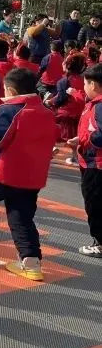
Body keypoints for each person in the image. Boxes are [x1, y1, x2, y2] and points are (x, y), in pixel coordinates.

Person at [0, 68, 58, 281]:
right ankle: (31, 264)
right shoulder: (46, 112)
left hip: (7, 171)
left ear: (11, 90)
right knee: (21, 218)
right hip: (33, 176)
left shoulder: (11, 110)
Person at [70, 63, 102, 257]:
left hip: (96, 164)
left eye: (85, 84)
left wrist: (85, 140)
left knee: (94, 203)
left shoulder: (99, 107)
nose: (84, 87)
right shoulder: (94, 105)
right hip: (92, 161)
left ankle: (99, 242)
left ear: (93, 85)